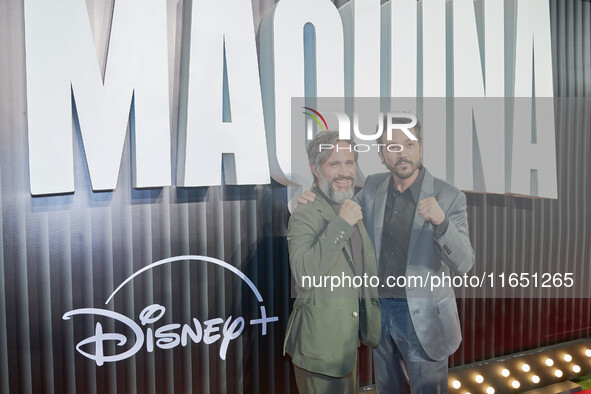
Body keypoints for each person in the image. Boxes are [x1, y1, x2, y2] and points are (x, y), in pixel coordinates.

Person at [299, 115, 475, 393]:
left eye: (409, 144)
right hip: (379, 312)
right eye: (392, 147)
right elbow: (336, 201)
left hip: (423, 316)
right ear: (381, 156)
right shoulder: (372, 187)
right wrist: (304, 196)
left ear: (420, 148)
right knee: (388, 388)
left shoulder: (449, 196)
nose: (402, 153)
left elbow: (465, 262)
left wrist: (442, 223)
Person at [284, 131, 381, 394]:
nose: (344, 172)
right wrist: (341, 224)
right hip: (320, 351)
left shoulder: (350, 206)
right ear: (316, 169)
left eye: (349, 163)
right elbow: (304, 274)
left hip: (346, 345)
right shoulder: (305, 213)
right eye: (334, 164)